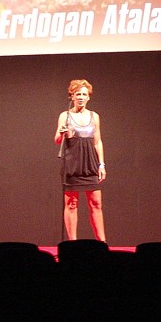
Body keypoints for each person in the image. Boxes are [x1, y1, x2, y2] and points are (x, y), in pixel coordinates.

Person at [55, 78, 107, 241]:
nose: (81, 97)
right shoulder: (65, 115)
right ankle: (73, 244)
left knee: (96, 203)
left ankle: (101, 243)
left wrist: (101, 164)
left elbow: (97, 141)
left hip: (90, 163)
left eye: (84, 94)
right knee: (71, 204)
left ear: (89, 97)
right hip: (72, 164)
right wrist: (62, 133)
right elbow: (57, 140)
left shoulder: (94, 116)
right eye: (78, 94)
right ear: (72, 96)